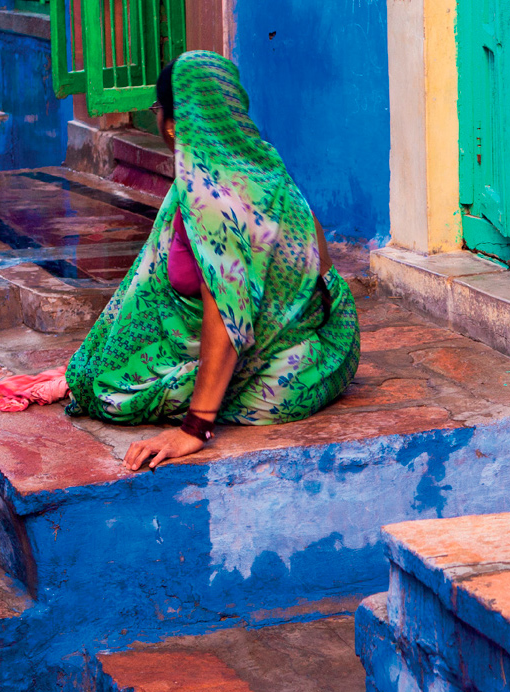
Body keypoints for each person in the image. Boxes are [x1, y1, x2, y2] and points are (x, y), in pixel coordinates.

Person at [65, 51, 360, 469]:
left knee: (118, 398)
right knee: (107, 371)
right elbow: (148, 281)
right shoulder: (241, 165)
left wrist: (195, 428)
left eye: (157, 109)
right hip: (313, 323)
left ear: (171, 124)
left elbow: (227, 312)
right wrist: (97, 353)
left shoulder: (216, 201)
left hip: (308, 348)